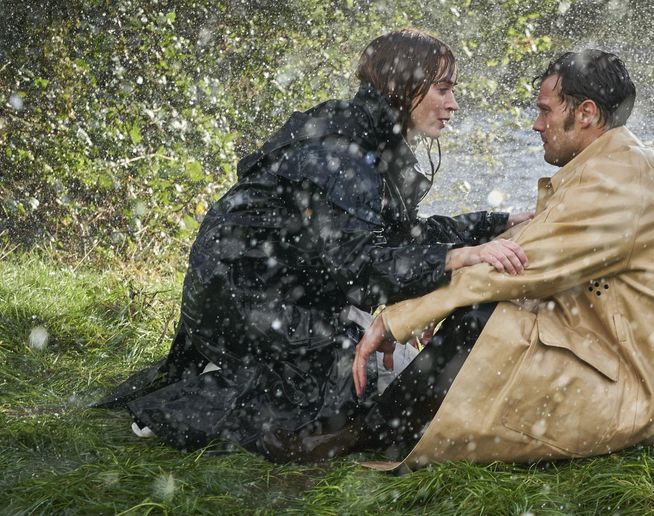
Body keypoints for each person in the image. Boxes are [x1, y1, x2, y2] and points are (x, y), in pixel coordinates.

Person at [94, 29, 532, 462]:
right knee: (349, 387)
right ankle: (194, 399)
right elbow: (360, 268)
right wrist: (455, 258)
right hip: (238, 296)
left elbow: (400, 236)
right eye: (443, 89)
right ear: (403, 85)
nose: (453, 104)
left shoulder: (372, 135)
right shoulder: (344, 149)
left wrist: (494, 224)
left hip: (276, 289)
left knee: (367, 378)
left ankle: (253, 369)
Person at [353, 49, 654, 468]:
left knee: (485, 315)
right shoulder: (622, 163)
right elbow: (533, 245)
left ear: (586, 113)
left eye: (545, 111)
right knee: (488, 299)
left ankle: (381, 430)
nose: (537, 125)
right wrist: (444, 290)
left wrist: (397, 320)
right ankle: (388, 421)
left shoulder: (616, 185)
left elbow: (518, 266)